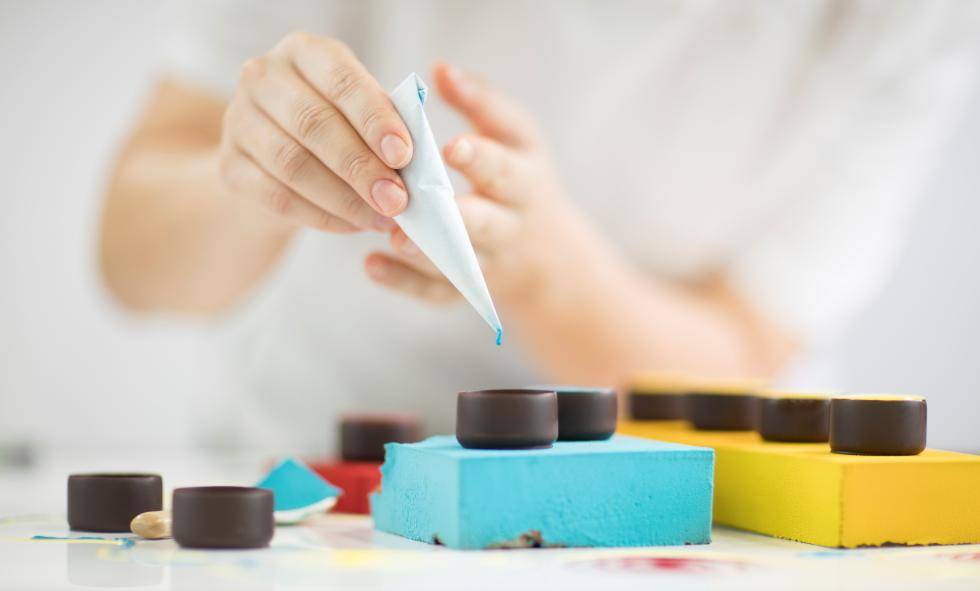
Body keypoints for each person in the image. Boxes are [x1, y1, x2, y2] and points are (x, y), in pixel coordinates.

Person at [99, 1, 980, 451]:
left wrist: (547, 269)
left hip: (677, 529)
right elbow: (130, 258)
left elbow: (750, 361)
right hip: (319, 483)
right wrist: (257, 175)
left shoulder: (910, 20)